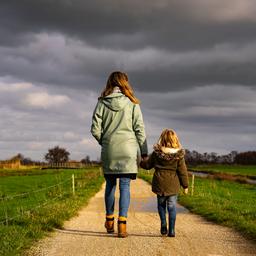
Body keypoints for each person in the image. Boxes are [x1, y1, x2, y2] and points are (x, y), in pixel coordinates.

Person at [91, 71, 148, 238]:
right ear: (125, 83)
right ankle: (122, 225)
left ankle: (109, 220)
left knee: (110, 185)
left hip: (110, 149)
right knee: (125, 187)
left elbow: (95, 129)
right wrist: (144, 153)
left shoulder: (101, 103)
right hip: (128, 150)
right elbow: (140, 129)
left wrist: (105, 142)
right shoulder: (132, 103)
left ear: (109, 83)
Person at [140, 129, 188, 237]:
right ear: (175, 140)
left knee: (161, 206)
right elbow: (182, 171)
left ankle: (163, 224)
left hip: (159, 183)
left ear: (162, 139)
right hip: (173, 185)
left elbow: (147, 165)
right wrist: (185, 186)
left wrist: (140, 162)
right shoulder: (179, 156)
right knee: (172, 207)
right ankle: (171, 230)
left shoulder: (157, 153)